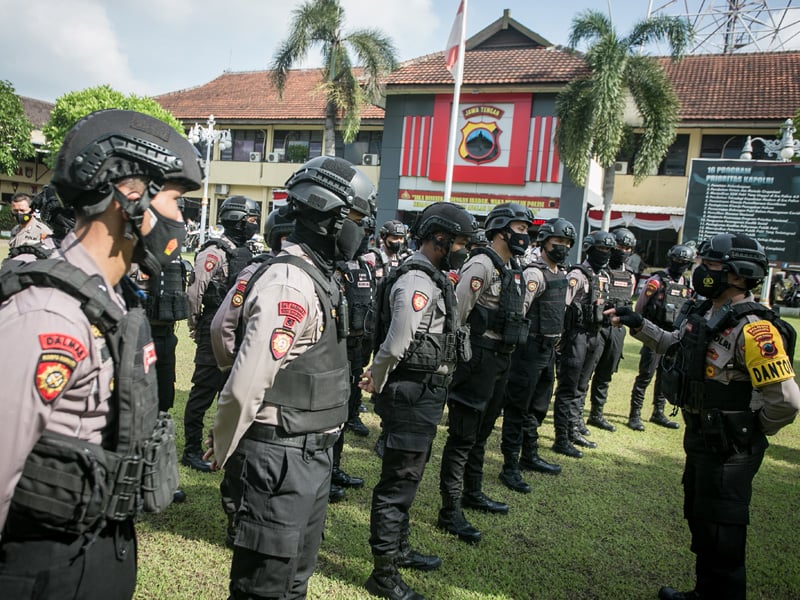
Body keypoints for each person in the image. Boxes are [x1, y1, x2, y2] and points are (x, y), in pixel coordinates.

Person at [0, 109, 202, 598]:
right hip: (46, 570)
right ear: (130, 197)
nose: (182, 222)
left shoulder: (112, 299)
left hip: (97, 554)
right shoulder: (49, 316)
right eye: (176, 201)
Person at [206, 156, 375, 600]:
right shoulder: (289, 283)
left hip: (310, 453)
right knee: (265, 586)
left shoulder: (319, 275)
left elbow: (224, 337)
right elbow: (245, 382)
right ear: (329, 217)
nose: (363, 229)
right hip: (280, 457)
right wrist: (224, 443)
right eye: (357, 219)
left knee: (293, 581)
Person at [608, 232, 800, 600]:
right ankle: (704, 592)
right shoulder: (705, 312)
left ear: (738, 275)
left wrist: (751, 430)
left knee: (723, 535)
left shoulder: (755, 329)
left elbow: (787, 401)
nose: (700, 272)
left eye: (710, 266)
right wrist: (637, 323)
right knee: (702, 520)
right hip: (701, 438)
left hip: (731, 449)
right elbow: (674, 345)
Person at [360, 201, 475, 600]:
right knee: (399, 482)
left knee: (409, 476)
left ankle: (400, 549)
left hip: (424, 392)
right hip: (410, 392)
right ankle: (383, 574)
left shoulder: (432, 277)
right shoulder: (416, 281)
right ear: (439, 239)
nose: (463, 250)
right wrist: (376, 376)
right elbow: (397, 342)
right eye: (460, 243)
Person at [437, 202, 533, 543]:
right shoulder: (481, 264)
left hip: (501, 360)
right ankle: (449, 510)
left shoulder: (512, 268)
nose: (525, 235)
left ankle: (472, 492)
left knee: (481, 432)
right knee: (463, 435)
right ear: (501, 230)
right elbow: (457, 313)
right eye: (520, 229)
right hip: (478, 359)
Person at [182, 195, 259, 472]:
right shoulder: (214, 252)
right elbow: (195, 292)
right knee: (203, 390)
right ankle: (191, 449)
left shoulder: (246, 252)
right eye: (251, 220)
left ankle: (224, 446)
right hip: (213, 327)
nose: (254, 225)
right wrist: (195, 324)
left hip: (238, 329)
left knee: (233, 390)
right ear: (236, 219)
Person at [501, 218, 576, 485]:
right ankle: (510, 466)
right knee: (517, 408)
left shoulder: (561, 273)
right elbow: (519, 312)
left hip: (548, 351)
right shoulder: (535, 274)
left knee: (538, 407)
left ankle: (529, 455)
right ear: (544, 242)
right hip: (528, 351)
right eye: (558, 242)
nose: (563, 247)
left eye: (567, 243)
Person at [551, 230, 616, 458]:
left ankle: (574, 428)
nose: (605, 253)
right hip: (576, 336)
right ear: (589, 249)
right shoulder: (577, 275)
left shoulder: (604, 276)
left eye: (608, 249)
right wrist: (560, 338)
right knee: (568, 387)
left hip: (595, 335)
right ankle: (561, 437)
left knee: (582, 385)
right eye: (601, 249)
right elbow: (563, 306)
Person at [627, 244, 695, 431]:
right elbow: (640, 306)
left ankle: (658, 412)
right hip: (653, 333)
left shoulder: (687, 283)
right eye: (677, 260)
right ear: (670, 259)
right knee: (646, 375)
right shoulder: (656, 281)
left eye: (684, 262)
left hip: (673, 336)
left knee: (666, 375)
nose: (679, 264)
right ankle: (634, 415)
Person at [585, 227, 638, 433]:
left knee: (606, 373)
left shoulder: (630, 275)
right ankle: (576, 415)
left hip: (617, 330)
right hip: (597, 328)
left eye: (627, 248)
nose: (623, 251)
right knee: (586, 372)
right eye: (619, 246)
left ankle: (596, 414)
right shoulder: (599, 270)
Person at [6, 191, 55, 259]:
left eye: (22, 210)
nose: (19, 214)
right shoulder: (15, 230)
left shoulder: (43, 231)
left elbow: (50, 256)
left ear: (32, 211)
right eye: (15, 211)